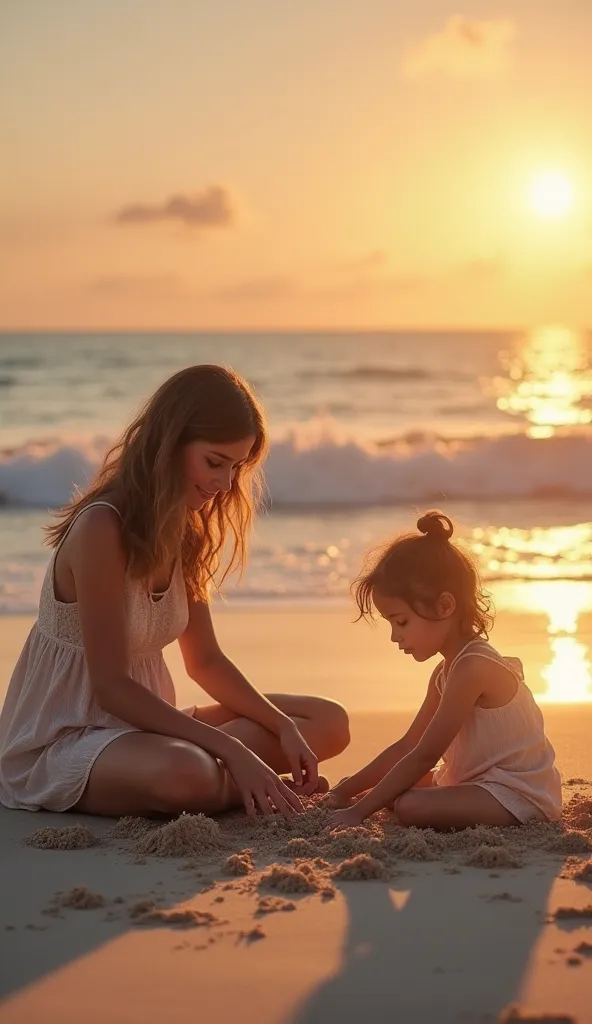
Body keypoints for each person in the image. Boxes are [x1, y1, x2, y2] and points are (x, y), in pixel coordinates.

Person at [0, 364, 349, 818]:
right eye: (214, 462)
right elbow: (111, 688)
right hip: (67, 737)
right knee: (186, 774)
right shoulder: (101, 528)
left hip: (149, 730)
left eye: (236, 467)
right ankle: (241, 780)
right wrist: (236, 751)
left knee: (327, 723)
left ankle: (236, 778)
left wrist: (280, 726)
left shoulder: (184, 530)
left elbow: (205, 661)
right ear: (170, 444)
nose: (225, 484)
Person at [328, 510, 561, 830]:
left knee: (408, 803)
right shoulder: (445, 671)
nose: (396, 636)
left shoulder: (473, 667)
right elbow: (407, 745)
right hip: (476, 782)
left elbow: (425, 754)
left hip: (518, 794)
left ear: (445, 606)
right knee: (398, 785)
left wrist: (359, 811)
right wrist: (344, 792)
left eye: (401, 621)